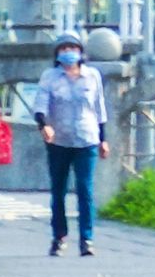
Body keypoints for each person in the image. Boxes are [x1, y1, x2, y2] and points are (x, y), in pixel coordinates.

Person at [30, 28, 108, 256]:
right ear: (57, 53)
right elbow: (40, 105)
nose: (68, 52)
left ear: (80, 51)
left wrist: (103, 139)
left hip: (87, 138)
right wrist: (44, 125)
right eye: (64, 48)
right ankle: (59, 237)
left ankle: (87, 239)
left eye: (72, 48)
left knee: (85, 189)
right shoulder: (50, 77)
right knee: (59, 190)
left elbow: (99, 108)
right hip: (59, 140)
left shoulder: (92, 76)